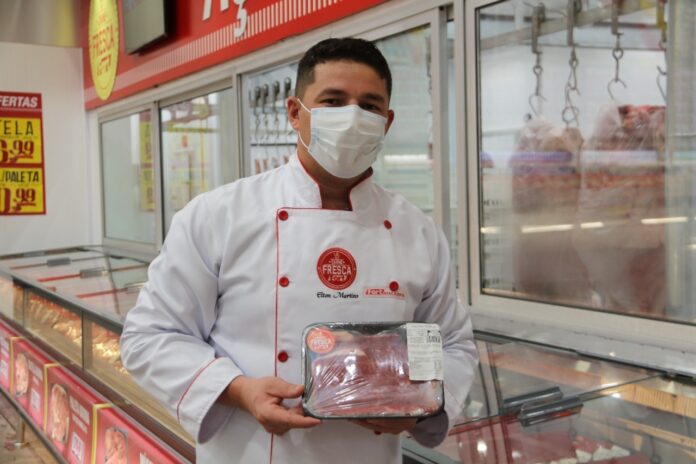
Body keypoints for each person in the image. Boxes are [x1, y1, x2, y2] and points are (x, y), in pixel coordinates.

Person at [120, 37, 478, 464]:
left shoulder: (416, 231)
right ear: (295, 112)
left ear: (387, 122)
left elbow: (454, 344)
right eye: (333, 101)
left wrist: (419, 405)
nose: (352, 117)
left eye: (369, 106)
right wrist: (239, 390)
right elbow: (149, 336)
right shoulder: (220, 216)